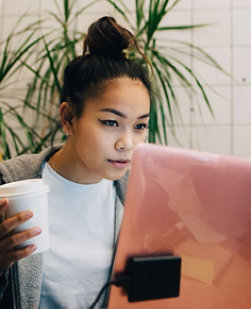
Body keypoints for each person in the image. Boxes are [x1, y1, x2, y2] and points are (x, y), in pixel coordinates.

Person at [0, 16, 151, 308]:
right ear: (69, 117)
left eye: (140, 126)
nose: (127, 143)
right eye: (110, 122)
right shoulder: (11, 184)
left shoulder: (140, 196)